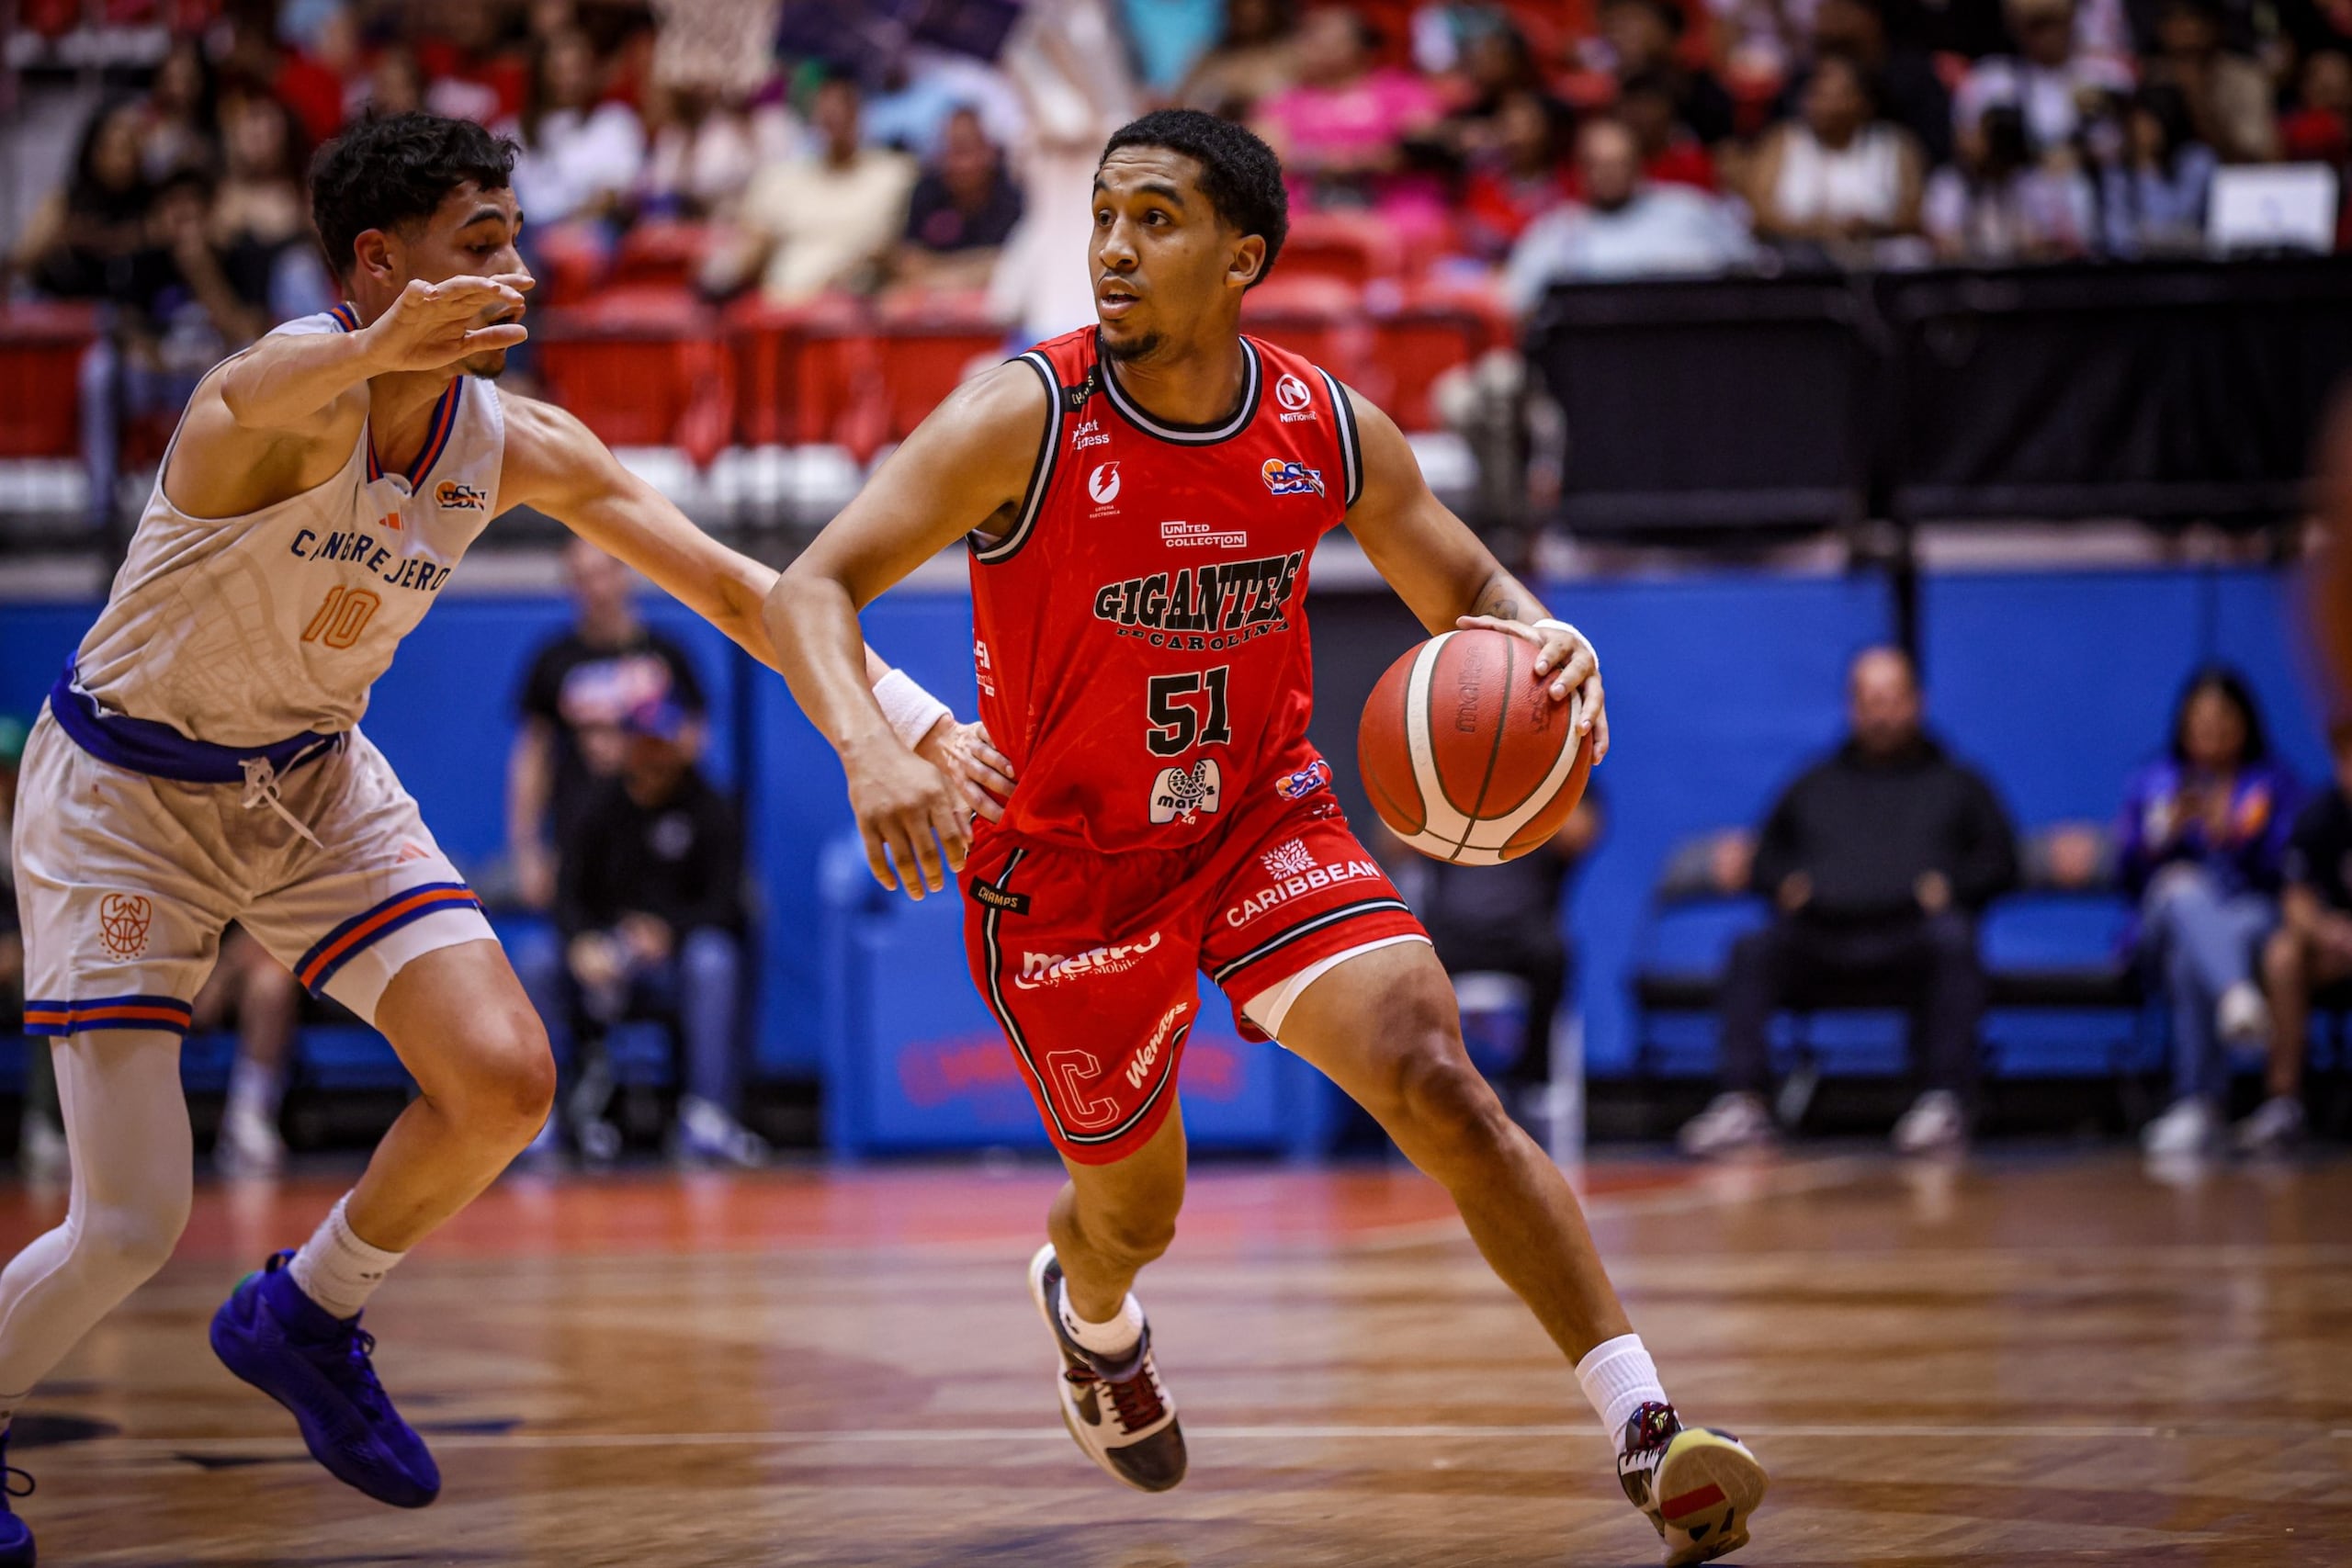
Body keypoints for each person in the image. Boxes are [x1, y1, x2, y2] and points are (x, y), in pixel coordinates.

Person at [768, 107, 1769, 1566]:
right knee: (1135, 1213)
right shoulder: (1025, 416)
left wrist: (1545, 636)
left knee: (1437, 1074)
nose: (1114, 248)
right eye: (1104, 217)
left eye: (1155, 219)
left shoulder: (1322, 424)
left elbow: (1469, 585)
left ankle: (1647, 1425)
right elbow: (809, 586)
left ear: (1243, 257)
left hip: (1254, 817)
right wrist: (871, 747)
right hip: (1067, 869)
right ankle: (1092, 1316)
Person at [0, 109, 1003, 1562]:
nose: (519, 273)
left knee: (504, 1077)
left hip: (311, 779)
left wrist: (901, 719)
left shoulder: (516, 441)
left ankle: (306, 1308)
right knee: (129, 1221)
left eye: (517, 239)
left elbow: (743, 590)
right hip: (127, 794)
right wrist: (373, 346)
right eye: (482, 244)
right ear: (375, 261)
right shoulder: (269, 407)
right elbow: (257, 377)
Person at [1679, 648, 2019, 1159]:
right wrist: (1781, 884)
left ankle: (1944, 1101)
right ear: (1852, 706)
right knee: (1752, 948)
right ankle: (1743, 1103)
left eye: (1892, 698)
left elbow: (2002, 861)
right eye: (1869, 700)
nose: (1881, 713)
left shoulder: (1959, 784)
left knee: (1954, 941)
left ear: (1917, 702)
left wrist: (1954, 887)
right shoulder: (1814, 783)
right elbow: (1766, 857)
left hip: (1911, 940)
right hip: (1822, 939)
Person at [556, 698, 762, 1166]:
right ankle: (543, 1120)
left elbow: (727, 902)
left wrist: (670, 933)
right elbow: (567, 895)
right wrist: (582, 941)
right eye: (644, 743)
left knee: (713, 960)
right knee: (537, 962)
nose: (653, 756)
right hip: (606, 954)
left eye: (662, 744)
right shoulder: (595, 806)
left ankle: (708, 1115)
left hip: (676, 961)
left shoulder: (711, 807)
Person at [2124, 669, 2301, 1157]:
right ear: (2183, 726)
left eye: (2224, 719)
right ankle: (2236, 995)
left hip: (2248, 917)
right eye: (2201, 721)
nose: (2212, 730)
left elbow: (2289, 866)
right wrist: (2164, 835)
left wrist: (2236, 837)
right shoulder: (2156, 780)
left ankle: (2199, 1103)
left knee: (2194, 951)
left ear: (2246, 724)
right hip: (2162, 918)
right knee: (2182, 889)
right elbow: (2127, 870)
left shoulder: (2272, 783)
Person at [510, 538, 710, 914]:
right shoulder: (553, 660)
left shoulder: (665, 655)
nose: (595, 589)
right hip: (580, 839)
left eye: (601, 574)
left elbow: (694, 742)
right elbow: (532, 759)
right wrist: (527, 849)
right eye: (582, 578)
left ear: (625, 574)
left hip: (658, 842)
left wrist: (640, 739)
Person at [699, 73, 917, 304]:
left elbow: (901, 253)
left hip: (853, 304)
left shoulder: (896, 175)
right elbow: (751, 245)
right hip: (780, 303)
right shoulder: (780, 179)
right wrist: (724, 272)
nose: (835, 120)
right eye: (827, 114)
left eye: (844, 110)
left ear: (861, 114)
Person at [1502, 116, 1758, 309]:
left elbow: (1751, 270)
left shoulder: (1689, 210)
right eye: (1598, 164)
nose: (1609, 174)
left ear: (1639, 164)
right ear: (1579, 170)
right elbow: (1517, 304)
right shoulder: (1554, 234)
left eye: (1619, 163)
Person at [2247, 718, 2352, 1152]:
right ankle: (2284, 1101)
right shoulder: (2320, 815)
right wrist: (2327, 930)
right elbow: (2296, 901)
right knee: (2282, 956)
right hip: (2337, 949)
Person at [1746, 53, 1926, 256]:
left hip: (1880, 260)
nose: (1820, 104)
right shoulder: (1782, 141)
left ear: (1864, 102)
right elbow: (1759, 215)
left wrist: (1871, 226)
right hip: (1795, 261)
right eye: (1816, 93)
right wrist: (1818, 230)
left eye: (1834, 96)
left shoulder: (1893, 145)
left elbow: (1914, 216)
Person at [201, 926, 305, 1177]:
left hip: (277, 962)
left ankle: (247, 1115)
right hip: (195, 956)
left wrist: (222, 973)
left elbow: (278, 924)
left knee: (271, 983)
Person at [895, 107, 1027, 294]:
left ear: (989, 151)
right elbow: (908, 262)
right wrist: (975, 266)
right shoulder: (926, 190)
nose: (956, 163)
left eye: (965, 151)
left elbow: (1012, 264)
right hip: (932, 297)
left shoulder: (1012, 194)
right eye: (949, 150)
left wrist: (937, 268)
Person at [2089, 84, 2217, 257]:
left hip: (2193, 260)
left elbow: (2186, 214)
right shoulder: (2117, 170)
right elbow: (2115, 233)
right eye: (2135, 125)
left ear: (2167, 121)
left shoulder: (2196, 160)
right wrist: (2142, 167)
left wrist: (2147, 172)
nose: (2140, 133)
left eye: (2148, 125)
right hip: (2138, 266)